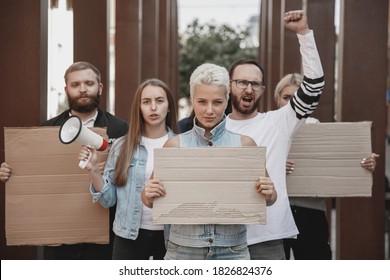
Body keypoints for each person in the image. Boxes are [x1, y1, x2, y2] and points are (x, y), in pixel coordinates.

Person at [141, 63, 277, 260]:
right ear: (192, 100)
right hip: (183, 251)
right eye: (202, 102)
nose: (209, 110)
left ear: (227, 100)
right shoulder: (174, 145)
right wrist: (148, 192)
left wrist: (270, 192)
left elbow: (270, 199)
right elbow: (149, 201)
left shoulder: (245, 144)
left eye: (217, 102)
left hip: (232, 251)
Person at [0, 61, 128, 259]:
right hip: (60, 240)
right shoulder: (47, 130)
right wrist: (12, 172)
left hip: (106, 238)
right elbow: (36, 176)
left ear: (100, 87)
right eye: (75, 85)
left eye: (89, 83)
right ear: (66, 89)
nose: (83, 90)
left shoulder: (121, 130)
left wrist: (116, 169)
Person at [225, 10, 324, 260]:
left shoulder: (280, 121)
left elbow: (313, 88)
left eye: (255, 84)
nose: (249, 89)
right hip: (223, 239)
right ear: (229, 85)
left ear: (262, 90)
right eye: (241, 82)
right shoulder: (214, 128)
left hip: (267, 241)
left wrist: (303, 34)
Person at [275, 73, 379, 260]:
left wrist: (363, 162)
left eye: (298, 97)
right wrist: (275, 166)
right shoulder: (267, 128)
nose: (292, 102)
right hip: (275, 212)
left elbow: (342, 160)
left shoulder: (319, 130)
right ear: (278, 101)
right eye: (286, 97)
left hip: (311, 213)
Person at [78, 78, 179, 260]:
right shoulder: (121, 146)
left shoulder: (183, 145)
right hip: (128, 237)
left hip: (172, 238)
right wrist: (93, 170)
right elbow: (108, 201)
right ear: (139, 108)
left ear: (169, 106)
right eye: (146, 102)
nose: (153, 107)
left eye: (160, 101)